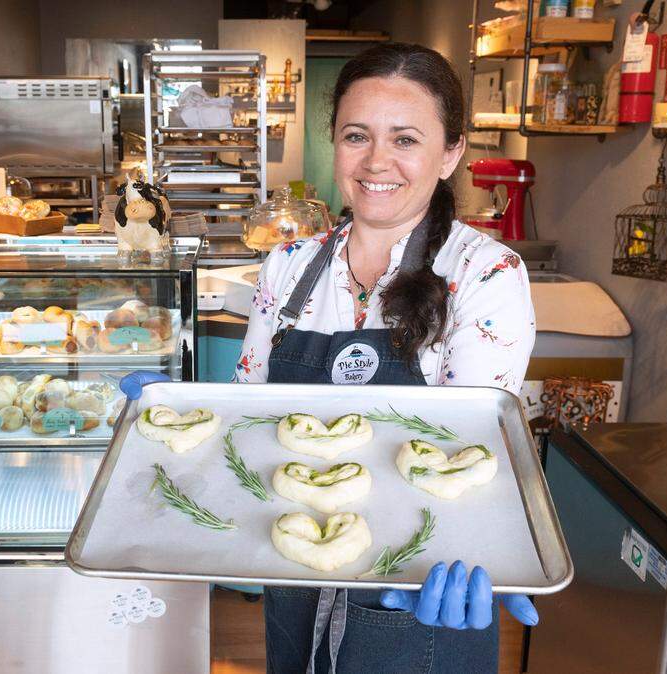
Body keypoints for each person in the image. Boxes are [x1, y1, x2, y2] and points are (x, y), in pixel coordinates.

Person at [124, 42, 537, 673]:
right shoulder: (288, 268)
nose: (377, 161)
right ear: (335, 144)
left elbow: (474, 456)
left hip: (420, 583)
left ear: (451, 152)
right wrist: (182, 418)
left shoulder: (484, 273)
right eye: (356, 135)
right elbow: (254, 420)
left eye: (406, 139)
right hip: (296, 561)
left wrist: (476, 552)